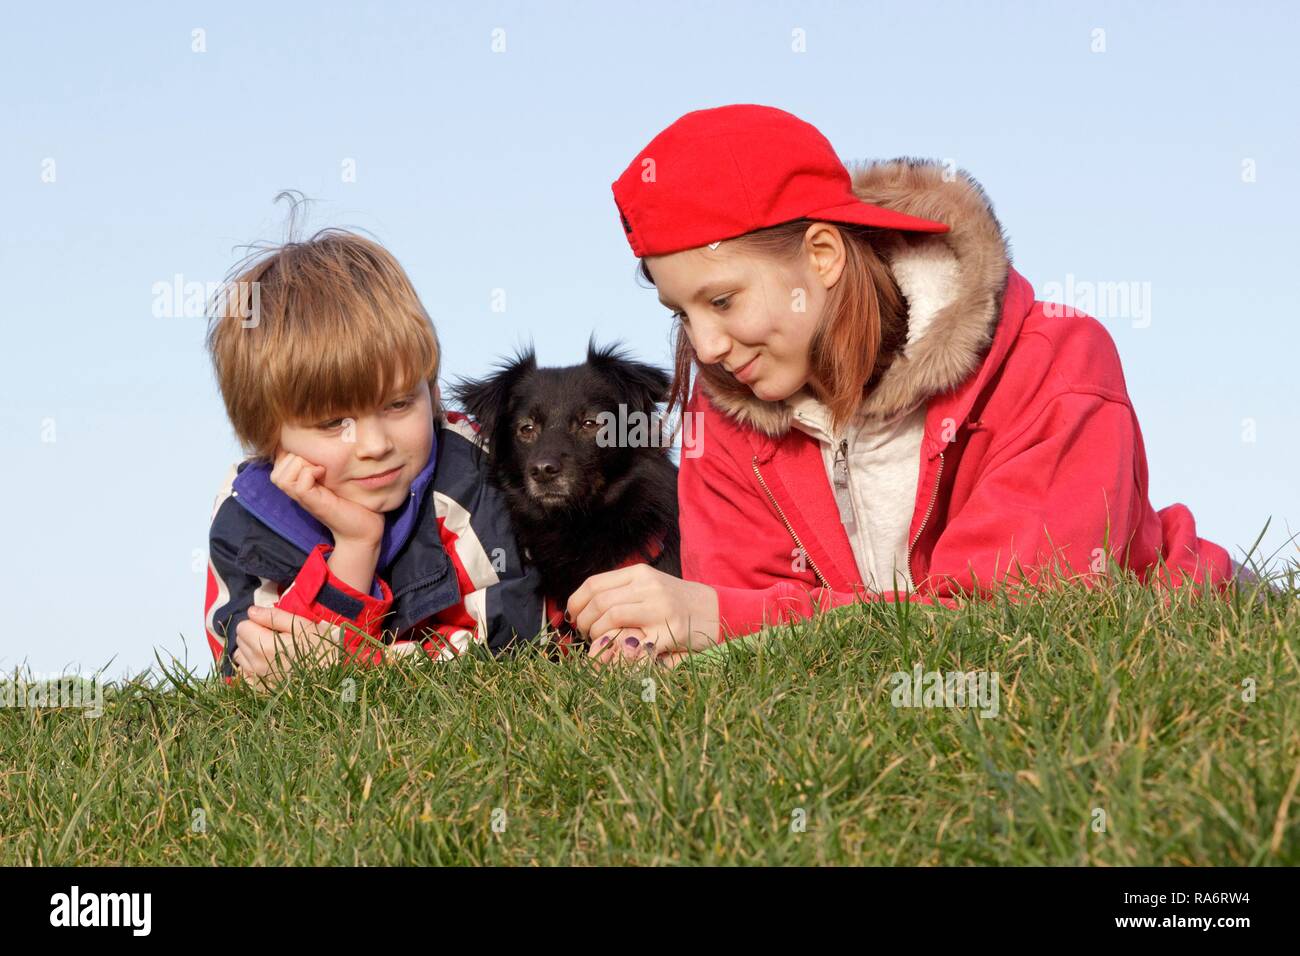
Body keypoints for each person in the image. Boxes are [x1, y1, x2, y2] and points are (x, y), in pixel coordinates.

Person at [569, 103, 1238, 668]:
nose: (706, 347)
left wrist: (721, 620)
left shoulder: (1054, 362)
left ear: (823, 256)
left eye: (721, 301)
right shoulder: (724, 412)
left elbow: (1015, 628)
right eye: (681, 314)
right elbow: (755, 662)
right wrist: (658, 642)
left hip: (1171, 646)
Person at [203, 229, 544, 687]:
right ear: (269, 439)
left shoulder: (476, 473)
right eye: (333, 423)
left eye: (399, 404)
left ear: (434, 393)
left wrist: (355, 665)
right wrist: (356, 547)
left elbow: (518, 642)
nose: (374, 445)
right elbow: (250, 674)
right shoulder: (244, 514)